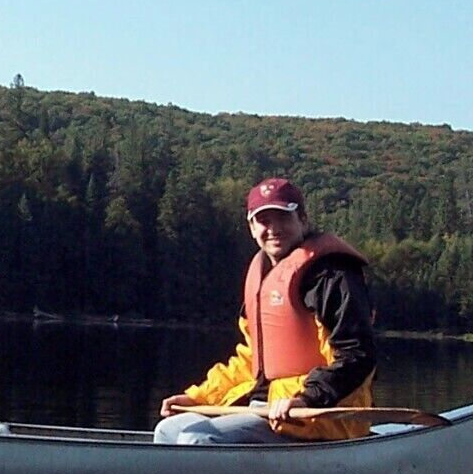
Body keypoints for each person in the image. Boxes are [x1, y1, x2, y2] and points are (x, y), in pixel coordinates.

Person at [155, 178, 438, 445]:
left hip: (319, 417)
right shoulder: (262, 276)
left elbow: (356, 357)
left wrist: (306, 399)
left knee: (197, 439)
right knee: (169, 429)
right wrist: (200, 397)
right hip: (267, 409)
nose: (273, 229)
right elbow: (251, 362)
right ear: (252, 228)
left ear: (302, 220)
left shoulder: (332, 275)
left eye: (283, 218)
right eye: (264, 221)